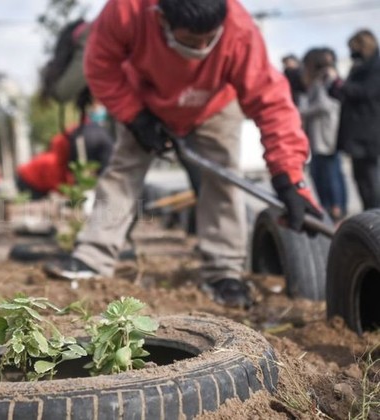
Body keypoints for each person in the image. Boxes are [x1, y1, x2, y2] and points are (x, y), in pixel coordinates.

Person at [43, 0, 322, 309]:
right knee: (122, 174)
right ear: (161, 18)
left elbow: (271, 101)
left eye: (209, 39)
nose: (202, 48)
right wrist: (135, 117)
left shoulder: (239, 29)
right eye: (191, 40)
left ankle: (224, 272)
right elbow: (100, 66)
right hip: (145, 102)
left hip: (213, 105)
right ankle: (92, 258)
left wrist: (289, 177)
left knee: (221, 181)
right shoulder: (126, 10)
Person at [330, 29, 380, 210]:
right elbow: (345, 95)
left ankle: (375, 216)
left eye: (353, 48)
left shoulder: (376, 67)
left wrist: (341, 84)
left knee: (370, 178)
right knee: (360, 178)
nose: (351, 52)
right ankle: (369, 214)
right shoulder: (358, 67)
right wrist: (334, 85)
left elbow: (366, 93)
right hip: (355, 132)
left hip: (369, 131)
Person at [298, 48, 348, 222]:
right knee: (321, 174)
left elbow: (327, 105)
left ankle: (336, 209)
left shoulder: (326, 79)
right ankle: (329, 209)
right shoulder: (319, 80)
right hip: (319, 136)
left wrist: (302, 110)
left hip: (326, 136)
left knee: (330, 174)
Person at [17, 113, 115, 200]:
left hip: (32, 177)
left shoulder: (62, 155)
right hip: (27, 180)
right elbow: (60, 187)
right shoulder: (54, 165)